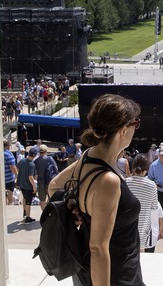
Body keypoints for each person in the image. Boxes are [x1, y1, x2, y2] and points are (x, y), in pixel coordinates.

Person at [48, 93, 144, 285]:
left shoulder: (87, 157)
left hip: (86, 273)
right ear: (123, 130)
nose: (136, 128)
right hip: (117, 277)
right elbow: (98, 248)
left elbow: (54, 186)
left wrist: (75, 210)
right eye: (136, 123)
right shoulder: (108, 181)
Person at [126, 154, 160, 253]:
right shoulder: (151, 185)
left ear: (132, 167)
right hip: (144, 227)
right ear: (146, 169)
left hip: (127, 227)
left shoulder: (125, 183)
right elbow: (154, 206)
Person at [16, 147, 38, 223]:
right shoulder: (32, 164)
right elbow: (31, 177)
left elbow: (17, 168)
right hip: (28, 186)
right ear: (34, 155)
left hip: (22, 184)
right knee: (28, 202)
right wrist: (34, 187)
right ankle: (28, 218)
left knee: (24, 198)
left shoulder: (22, 161)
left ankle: (25, 212)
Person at [33, 144, 58, 211]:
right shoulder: (50, 159)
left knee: (42, 199)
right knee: (50, 198)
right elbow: (56, 168)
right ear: (46, 151)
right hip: (49, 181)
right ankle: (50, 214)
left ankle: (44, 214)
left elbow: (34, 173)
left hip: (40, 181)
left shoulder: (36, 161)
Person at [3, 140, 18, 205]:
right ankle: (10, 204)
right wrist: (17, 175)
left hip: (2, 178)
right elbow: (12, 167)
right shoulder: (8, 154)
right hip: (9, 178)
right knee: (10, 192)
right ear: (8, 146)